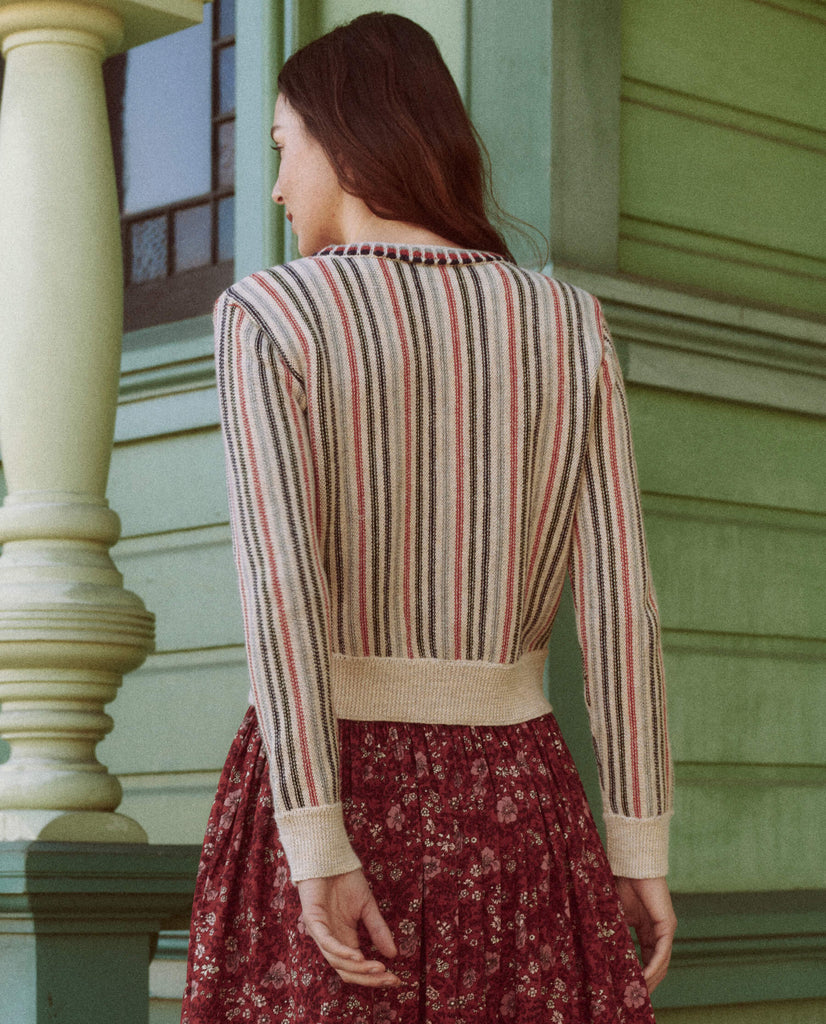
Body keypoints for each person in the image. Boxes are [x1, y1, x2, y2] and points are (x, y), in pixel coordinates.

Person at [181, 12, 676, 1023]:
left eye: (281, 147)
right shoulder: (569, 325)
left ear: (345, 139)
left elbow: (282, 591)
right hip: (519, 802)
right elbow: (622, 608)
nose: (276, 187)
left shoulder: (267, 316)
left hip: (331, 782)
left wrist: (316, 843)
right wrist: (637, 844)